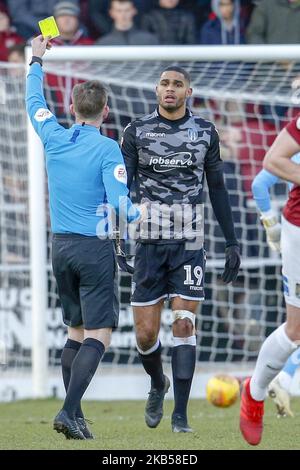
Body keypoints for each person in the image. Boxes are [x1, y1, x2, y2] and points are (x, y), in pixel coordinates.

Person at [26, 35, 143, 440]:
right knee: (100, 334)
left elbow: (33, 102)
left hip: (59, 247)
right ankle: (69, 409)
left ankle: (73, 416)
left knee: (75, 331)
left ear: (71, 109)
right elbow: (123, 206)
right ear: (106, 112)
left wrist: (36, 60)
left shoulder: (53, 136)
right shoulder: (109, 149)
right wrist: (155, 214)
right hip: (94, 249)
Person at [121, 66, 241, 432]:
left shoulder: (205, 131)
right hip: (148, 242)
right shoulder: (136, 131)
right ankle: (158, 382)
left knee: (184, 324)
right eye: (164, 84)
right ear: (156, 90)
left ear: (189, 90)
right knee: (145, 334)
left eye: (177, 84)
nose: (169, 89)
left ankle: (181, 415)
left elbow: (217, 188)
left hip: (190, 242)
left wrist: (232, 241)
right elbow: (122, 191)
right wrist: (117, 238)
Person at [240, 114, 300, 446]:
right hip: (299, 229)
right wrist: (271, 227)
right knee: (296, 330)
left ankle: (286, 380)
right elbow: (273, 161)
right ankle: (256, 392)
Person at [252, 154, 300, 418]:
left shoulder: (293, 149)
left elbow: (259, 184)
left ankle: (284, 378)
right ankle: (279, 379)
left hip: (294, 239)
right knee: (295, 326)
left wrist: (272, 228)